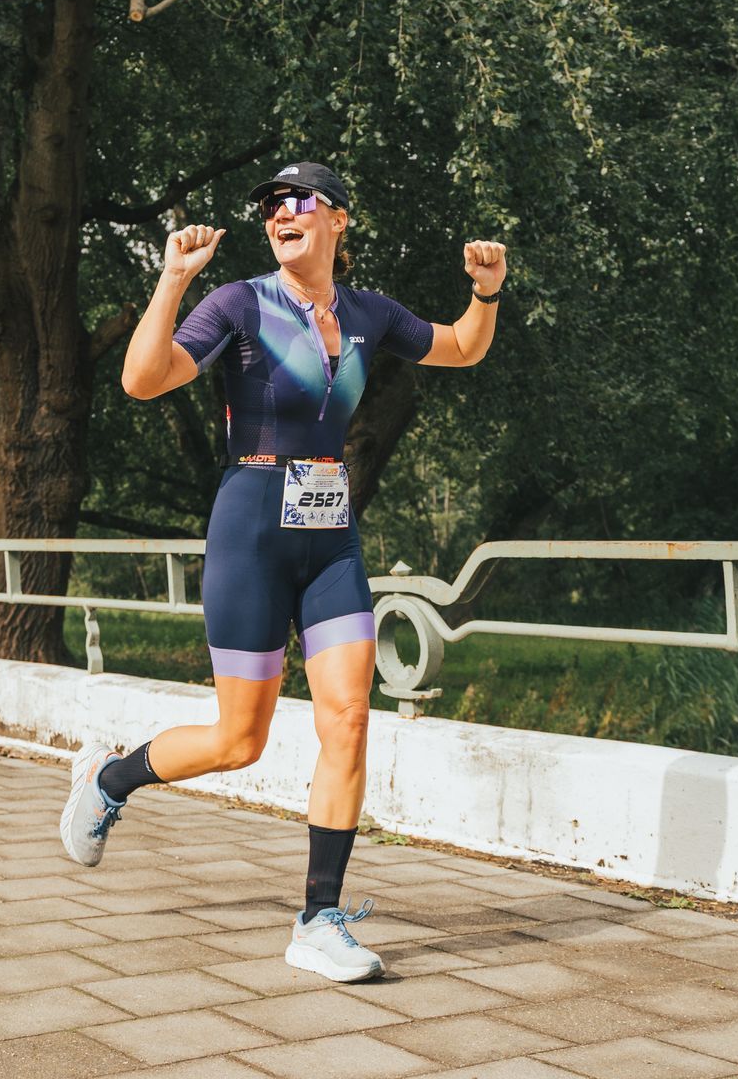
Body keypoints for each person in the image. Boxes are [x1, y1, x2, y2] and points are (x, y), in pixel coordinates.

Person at [60, 160, 506, 982]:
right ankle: (110, 778)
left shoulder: (369, 313)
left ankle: (318, 919)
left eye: (298, 199)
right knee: (240, 741)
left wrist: (486, 293)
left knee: (350, 717)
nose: (279, 212)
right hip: (251, 530)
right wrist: (172, 279)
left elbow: (463, 347)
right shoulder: (240, 303)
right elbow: (142, 379)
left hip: (330, 536)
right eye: (269, 204)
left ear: (338, 218)